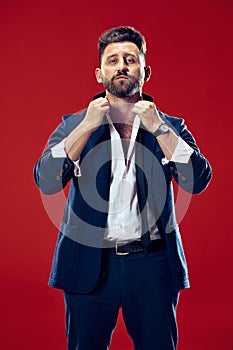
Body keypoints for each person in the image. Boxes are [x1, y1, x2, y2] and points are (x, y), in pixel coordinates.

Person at [34, 26, 212, 350]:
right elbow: (45, 179)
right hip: (88, 263)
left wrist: (159, 128)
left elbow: (198, 179)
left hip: (152, 266)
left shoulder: (170, 126)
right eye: (113, 60)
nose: (122, 66)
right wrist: (87, 126)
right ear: (99, 72)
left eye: (130, 59)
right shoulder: (74, 125)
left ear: (145, 71)